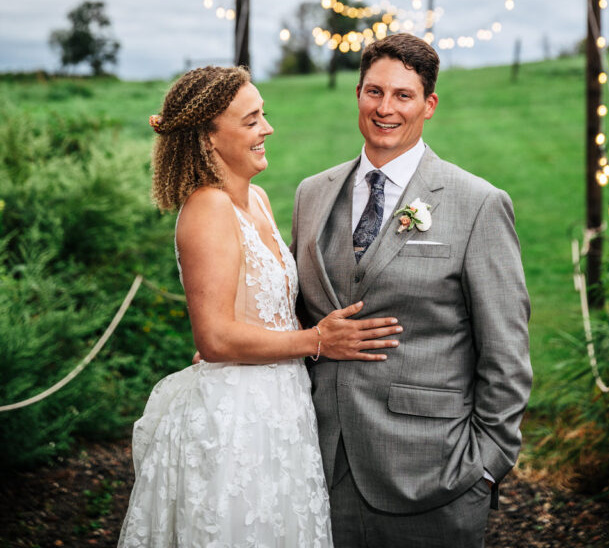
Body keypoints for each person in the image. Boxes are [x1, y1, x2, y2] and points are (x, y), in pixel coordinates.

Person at [118, 65, 402, 548]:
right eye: (250, 121)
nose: (267, 128)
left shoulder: (259, 200)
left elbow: (264, 309)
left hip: (282, 405)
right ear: (208, 137)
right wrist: (317, 341)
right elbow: (214, 338)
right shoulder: (207, 208)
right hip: (237, 418)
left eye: (263, 116)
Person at [292, 33, 532, 548]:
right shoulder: (311, 194)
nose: (385, 108)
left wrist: (485, 466)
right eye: (374, 91)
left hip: (434, 473)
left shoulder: (478, 203)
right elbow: (293, 317)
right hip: (317, 463)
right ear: (357, 94)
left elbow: (506, 354)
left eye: (403, 95)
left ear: (429, 104)